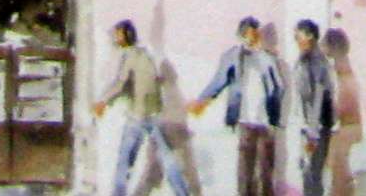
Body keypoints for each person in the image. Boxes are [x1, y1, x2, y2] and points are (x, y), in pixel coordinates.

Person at [91, 19, 189, 196]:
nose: (115, 37)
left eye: (118, 34)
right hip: (155, 114)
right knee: (167, 157)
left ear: (126, 36)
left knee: (124, 162)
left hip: (138, 115)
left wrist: (103, 101)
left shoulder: (129, 56)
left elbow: (120, 84)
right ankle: (182, 193)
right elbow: (155, 81)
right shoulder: (146, 55)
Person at [189, 16, 283, 196]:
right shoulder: (232, 57)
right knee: (245, 171)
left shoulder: (267, 59)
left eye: (255, 35)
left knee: (265, 171)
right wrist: (202, 101)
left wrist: (275, 115)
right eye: (248, 35)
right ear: (241, 35)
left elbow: (278, 87)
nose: (252, 39)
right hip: (245, 120)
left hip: (265, 122)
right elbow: (219, 81)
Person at [290, 20, 337, 196]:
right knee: (308, 172)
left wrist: (312, 133)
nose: (296, 40)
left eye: (299, 36)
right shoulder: (303, 60)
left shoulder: (317, 62)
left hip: (315, 128)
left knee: (312, 174)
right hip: (308, 126)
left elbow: (318, 98)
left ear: (310, 37)